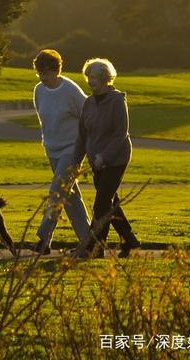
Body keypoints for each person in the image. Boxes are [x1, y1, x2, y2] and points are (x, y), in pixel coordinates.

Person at [73, 58, 141, 259]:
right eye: (88, 77)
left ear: (104, 78)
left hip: (116, 159)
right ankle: (129, 240)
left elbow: (120, 134)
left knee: (101, 203)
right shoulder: (88, 103)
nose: (90, 81)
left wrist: (105, 156)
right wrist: (76, 161)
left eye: (93, 77)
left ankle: (94, 247)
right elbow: (82, 136)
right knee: (110, 204)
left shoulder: (117, 100)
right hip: (96, 161)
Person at [31, 49, 91, 255]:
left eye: (46, 73)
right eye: (39, 73)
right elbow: (43, 119)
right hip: (52, 149)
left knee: (57, 190)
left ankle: (43, 236)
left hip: (72, 149)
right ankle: (89, 243)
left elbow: (88, 116)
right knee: (70, 197)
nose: (42, 78)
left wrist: (84, 147)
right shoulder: (39, 90)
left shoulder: (71, 91)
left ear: (56, 71)